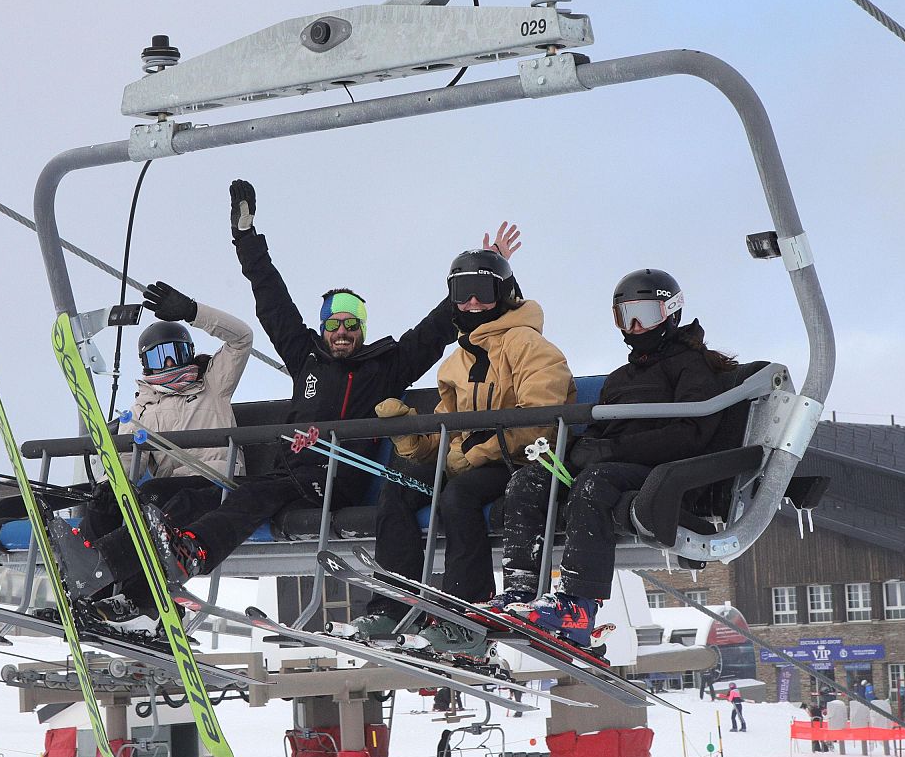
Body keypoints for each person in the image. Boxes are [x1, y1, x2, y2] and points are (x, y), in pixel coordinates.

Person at [73, 179, 468, 615]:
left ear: (362, 329)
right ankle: (110, 575)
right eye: (333, 324)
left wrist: (470, 285)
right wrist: (246, 238)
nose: (341, 332)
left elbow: (433, 332)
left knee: (251, 495)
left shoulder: (385, 367)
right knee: (200, 498)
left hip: (336, 479)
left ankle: (192, 551)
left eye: (351, 325)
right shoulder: (307, 359)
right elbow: (273, 302)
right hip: (292, 475)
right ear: (323, 328)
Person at [345, 246, 573, 659]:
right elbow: (447, 430)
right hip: (469, 461)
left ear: (503, 294)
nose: (471, 303)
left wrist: (476, 454)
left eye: (481, 291)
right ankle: (393, 607)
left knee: (458, 495)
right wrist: (412, 439)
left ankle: (467, 617)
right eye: (460, 292)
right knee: (398, 488)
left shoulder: (529, 345)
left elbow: (539, 420)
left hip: (521, 461)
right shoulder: (457, 362)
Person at [503, 269, 740, 649]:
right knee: (528, 481)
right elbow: (602, 429)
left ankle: (578, 605)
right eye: (625, 316)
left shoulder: (692, 367)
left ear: (671, 312)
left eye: (644, 315)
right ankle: (520, 590)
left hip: (664, 472)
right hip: (616, 465)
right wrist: (578, 450)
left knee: (593, 484)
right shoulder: (620, 378)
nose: (634, 327)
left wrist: (613, 450)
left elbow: (691, 434)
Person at [0, 281, 251, 584]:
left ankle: (115, 569)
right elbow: (128, 460)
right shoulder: (142, 410)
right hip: (173, 490)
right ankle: (91, 580)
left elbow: (242, 338)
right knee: (110, 506)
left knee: (154, 497)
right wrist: (107, 486)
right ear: (146, 364)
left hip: (218, 484)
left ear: (190, 354)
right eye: (159, 357)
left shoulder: (213, 384)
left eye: (176, 352)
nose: (169, 363)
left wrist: (192, 312)